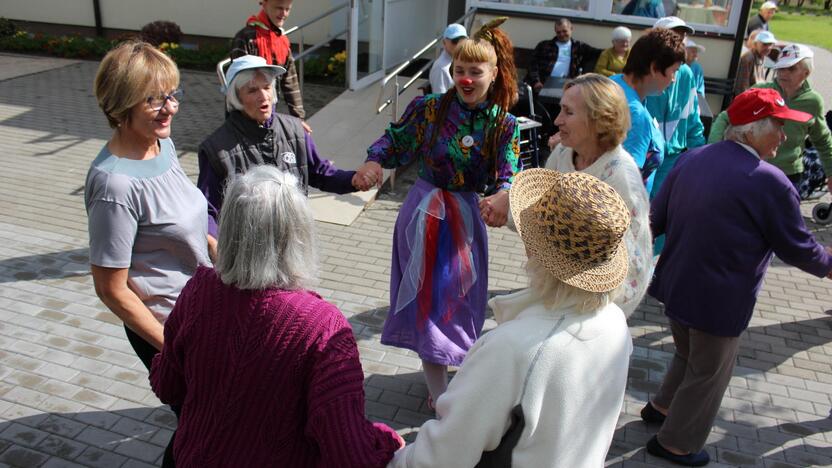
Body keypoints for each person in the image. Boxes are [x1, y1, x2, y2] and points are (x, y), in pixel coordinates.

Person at [150, 166, 404, 467]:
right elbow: (348, 452)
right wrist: (386, 439)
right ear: (299, 235)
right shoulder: (324, 328)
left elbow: (166, 384)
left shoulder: (199, 290)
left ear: (229, 228)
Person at [388, 169, 633, 467]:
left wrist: (393, 454)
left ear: (532, 247)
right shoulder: (615, 325)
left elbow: (439, 459)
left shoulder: (513, 349)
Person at [643, 88, 832, 466]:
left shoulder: (691, 158)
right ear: (749, 129)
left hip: (676, 284)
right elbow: (796, 246)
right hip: (720, 297)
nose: (784, 135)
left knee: (687, 352)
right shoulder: (770, 181)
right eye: (777, 126)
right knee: (709, 372)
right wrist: (829, 264)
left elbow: (655, 219)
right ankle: (675, 444)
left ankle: (661, 407)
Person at [355, 18, 520, 405]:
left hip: (465, 218)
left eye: (474, 72)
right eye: (458, 70)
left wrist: (503, 196)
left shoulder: (504, 124)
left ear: (493, 75)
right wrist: (375, 162)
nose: (464, 79)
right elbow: (395, 141)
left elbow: (509, 174)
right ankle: (439, 393)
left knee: (461, 301)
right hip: (424, 214)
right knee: (431, 300)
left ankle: (448, 369)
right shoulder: (429, 108)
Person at [86, 41, 213, 465]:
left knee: (214, 423)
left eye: (172, 94)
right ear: (121, 102)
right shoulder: (114, 186)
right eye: (154, 99)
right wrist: (172, 350)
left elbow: (190, 221)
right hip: (167, 327)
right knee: (204, 425)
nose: (170, 108)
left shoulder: (163, 147)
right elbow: (111, 290)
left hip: (204, 308)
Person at [198, 55, 369, 238]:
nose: (263, 96)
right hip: (245, 252)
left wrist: (353, 180)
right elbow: (208, 210)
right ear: (236, 97)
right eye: (252, 90)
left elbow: (318, 172)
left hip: (293, 243)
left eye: (267, 87)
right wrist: (212, 244)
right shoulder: (217, 148)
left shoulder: (294, 129)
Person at [529, 74, 652, 317]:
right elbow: (540, 210)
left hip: (594, 305)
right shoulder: (564, 153)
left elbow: (633, 264)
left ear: (598, 119)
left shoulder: (621, 177)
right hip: (555, 286)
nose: (557, 120)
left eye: (568, 112)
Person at [709, 44, 832, 197]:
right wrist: (712, 151)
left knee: (782, 219)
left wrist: (830, 172)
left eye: (791, 68)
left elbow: (822, 139)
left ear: (806, 73)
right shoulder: (761, 91)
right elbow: (725, 117)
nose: (783, 73)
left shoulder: (813, 102)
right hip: (754, 168)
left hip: (788, 175)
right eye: (781, 67)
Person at [610, 28, 686, 193]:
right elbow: (624, 184)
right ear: (654, 68)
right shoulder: (635, 115)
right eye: (674, 71)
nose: (674, 80)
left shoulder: (611, 84)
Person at [646, 16, 706, 204]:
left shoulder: (686, 73)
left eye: (682, 37)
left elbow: (692, 117)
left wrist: (700, 156)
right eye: (673, 36)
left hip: (672, 157)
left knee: (663, 210)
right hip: (644, 156)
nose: (678, 41)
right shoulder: (644, 70)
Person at [231, 0, 312, 133]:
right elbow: (237, 85)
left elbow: (290, 82)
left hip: (267, 112)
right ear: (264, 4)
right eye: (279, 8)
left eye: (288, 9)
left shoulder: (281, 40)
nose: (283, 14)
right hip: (245, 116)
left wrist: (299, 119)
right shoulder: (247, 38)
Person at [524, 18, 601, 91]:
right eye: (558, 32)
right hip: (543, 82)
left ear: (571, 29)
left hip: (566, 85)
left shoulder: (579, 46)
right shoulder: (544, 45)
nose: (562, 34)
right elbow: (532, 64)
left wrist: (613, 44)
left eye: (564, 31)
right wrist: (536, 81)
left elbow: (600, 53)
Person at [733, 30, 776, 95]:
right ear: (755, 44)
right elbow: (742, 87)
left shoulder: (761, 56)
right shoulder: (748, 58)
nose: (768, 47)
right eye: (764, 44)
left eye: (770, 44)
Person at [429, 23, 468, 94]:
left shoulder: (463, 60)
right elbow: (440, 99)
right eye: (455, 41)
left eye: (462, 40)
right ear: (444, 42)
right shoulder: (441, 68)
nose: (459, 44)